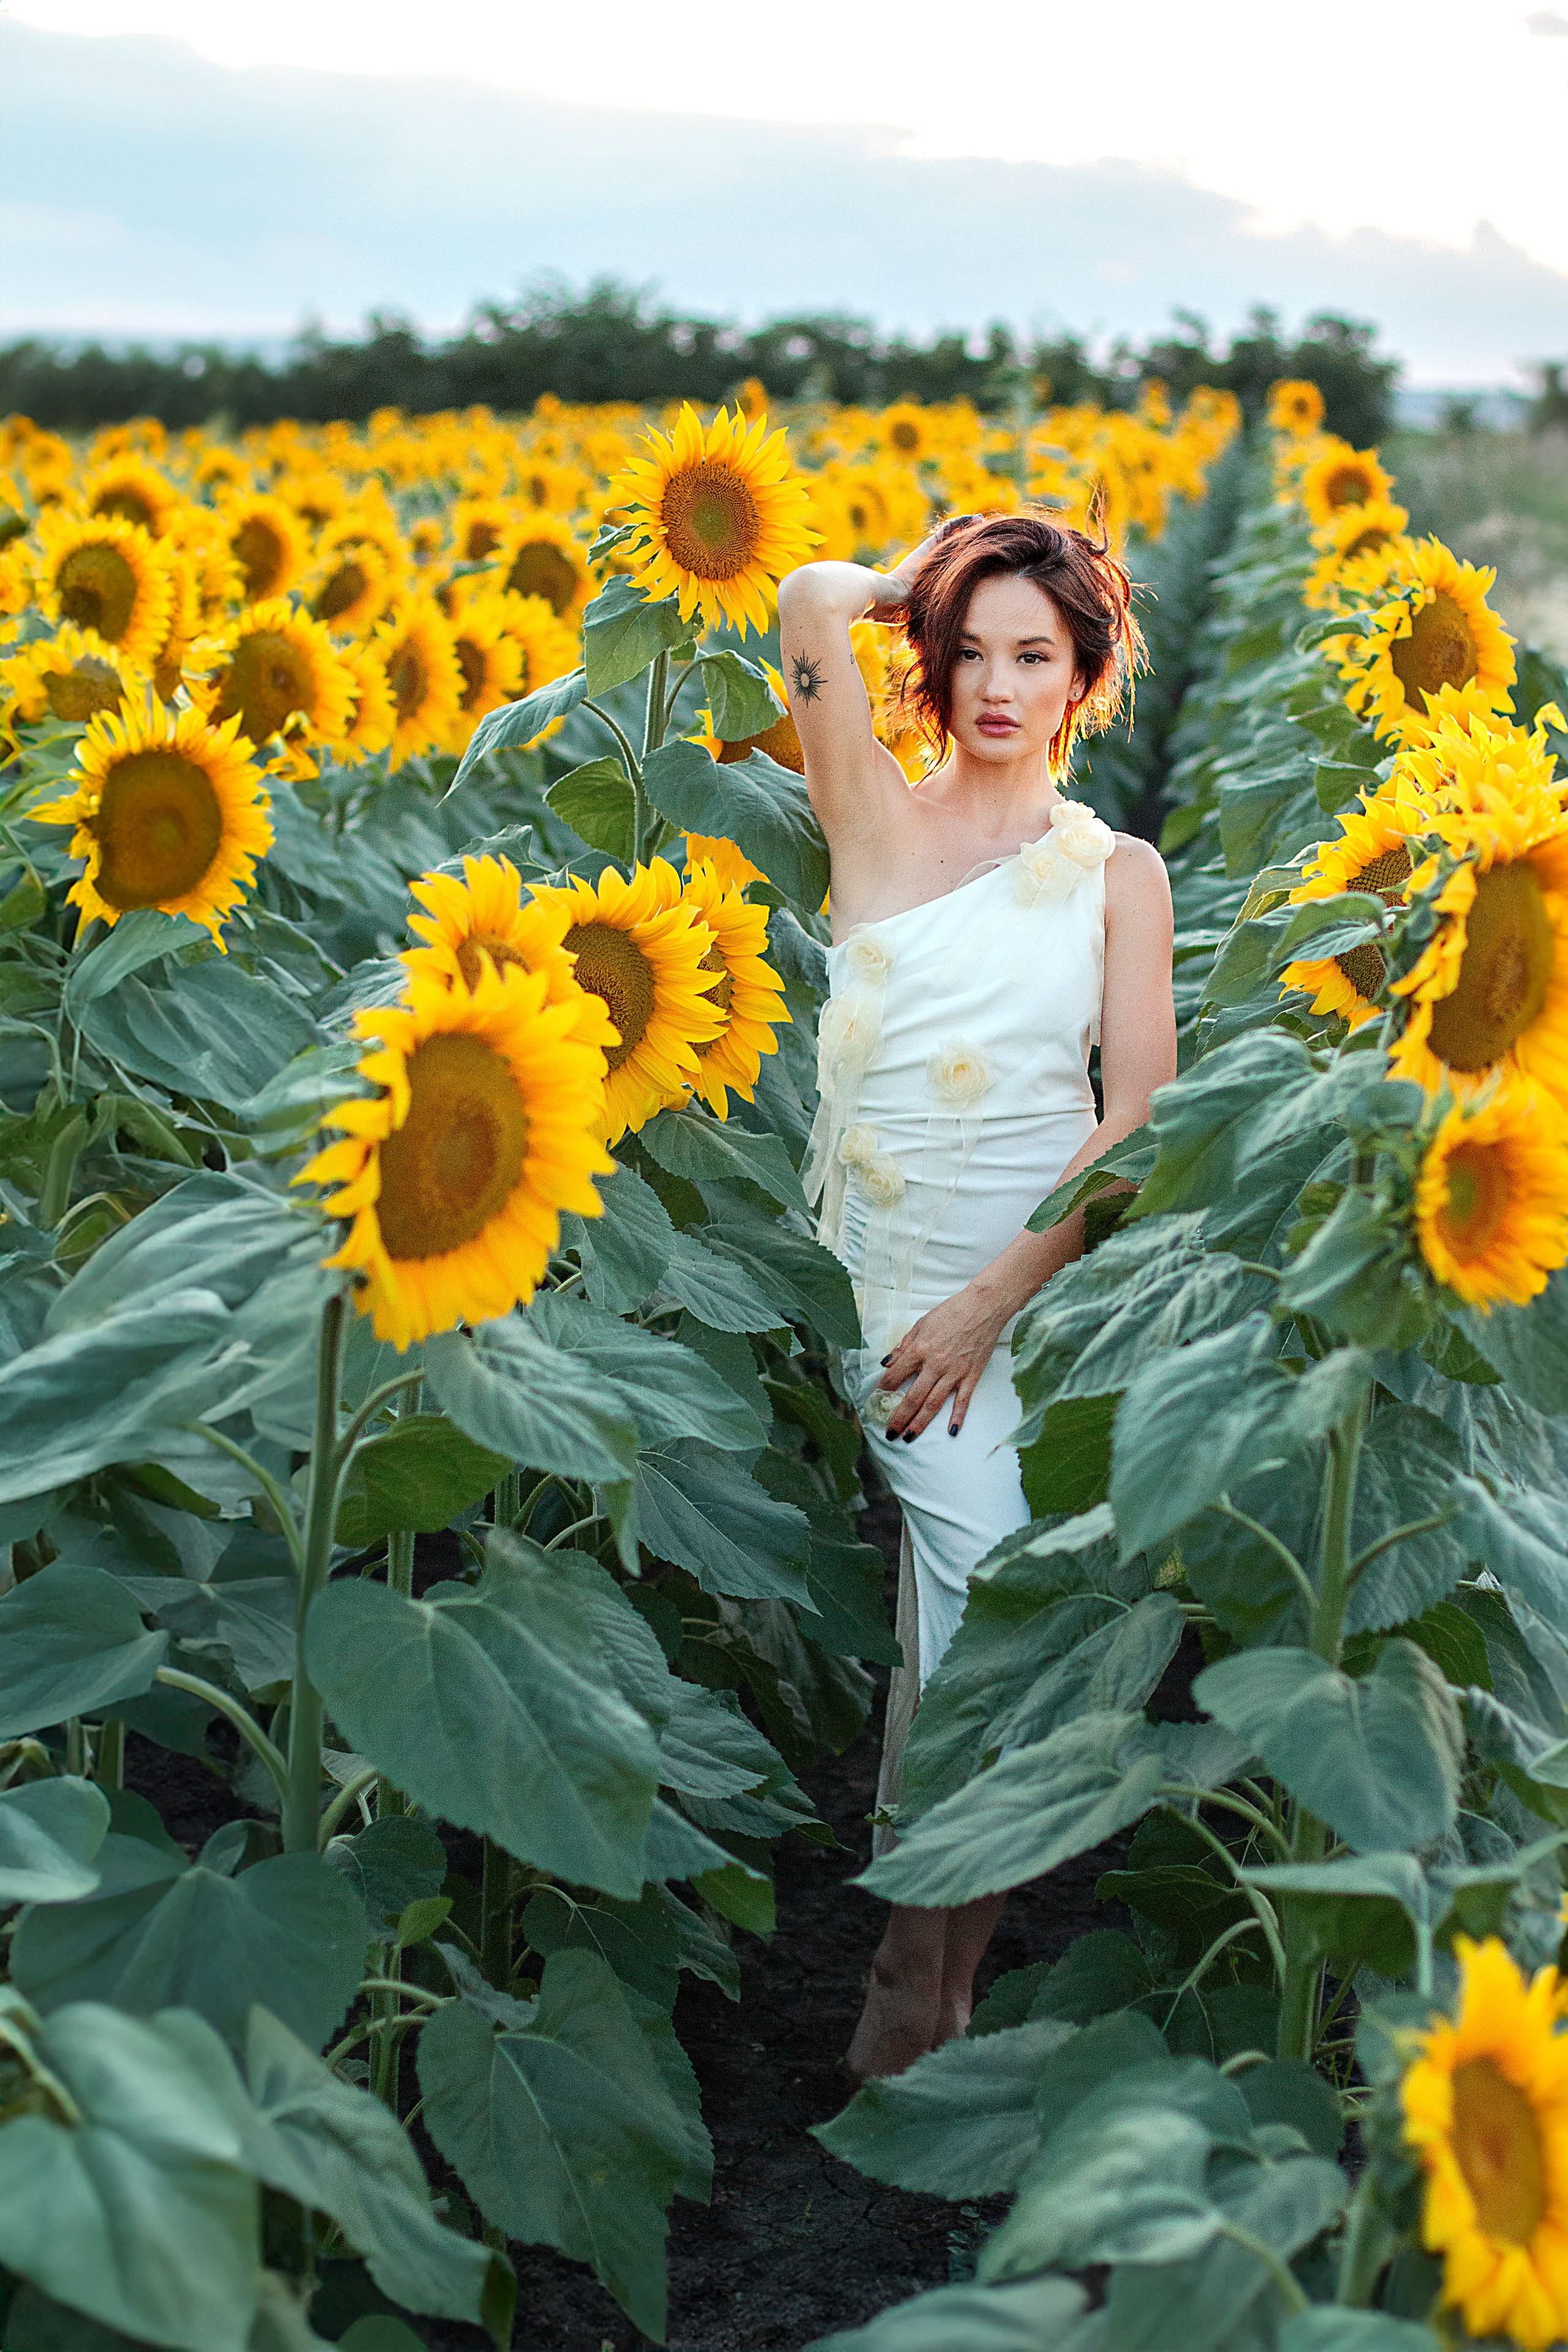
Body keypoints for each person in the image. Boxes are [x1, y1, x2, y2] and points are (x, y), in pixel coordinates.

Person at [777, 510, 1177, 2082]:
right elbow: (807, 599)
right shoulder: (866, 819)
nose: (996, 685)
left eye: (1035, 654)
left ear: (1083, 678)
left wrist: (996, 1301)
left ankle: (926, 1980)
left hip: (1023, 1285)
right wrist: (937, 571)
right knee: (984, 1582)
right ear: (929, 660)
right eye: (967, 650)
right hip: (878, 1283)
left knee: (982, 1617)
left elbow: (1133, 1116)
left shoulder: (1113, 874)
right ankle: (910, 1967)